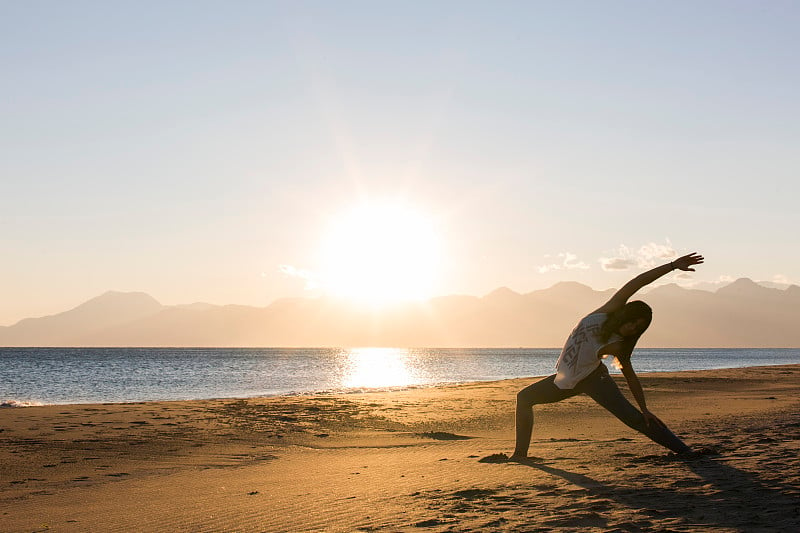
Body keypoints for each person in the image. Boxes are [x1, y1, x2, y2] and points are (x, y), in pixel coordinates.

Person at [510, 252, 705, 460]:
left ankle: (685, 451)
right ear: (625, 315)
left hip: (595, 380)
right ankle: (520, 455)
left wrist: (645, 408)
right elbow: (638, 282)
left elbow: (630, 375)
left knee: (635, 419)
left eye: (638, 328)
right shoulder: (608, 311)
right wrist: (673, 265)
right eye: (633, 322)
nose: (632, 329)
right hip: (566, 378)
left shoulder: (619, 345)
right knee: (524, 398)